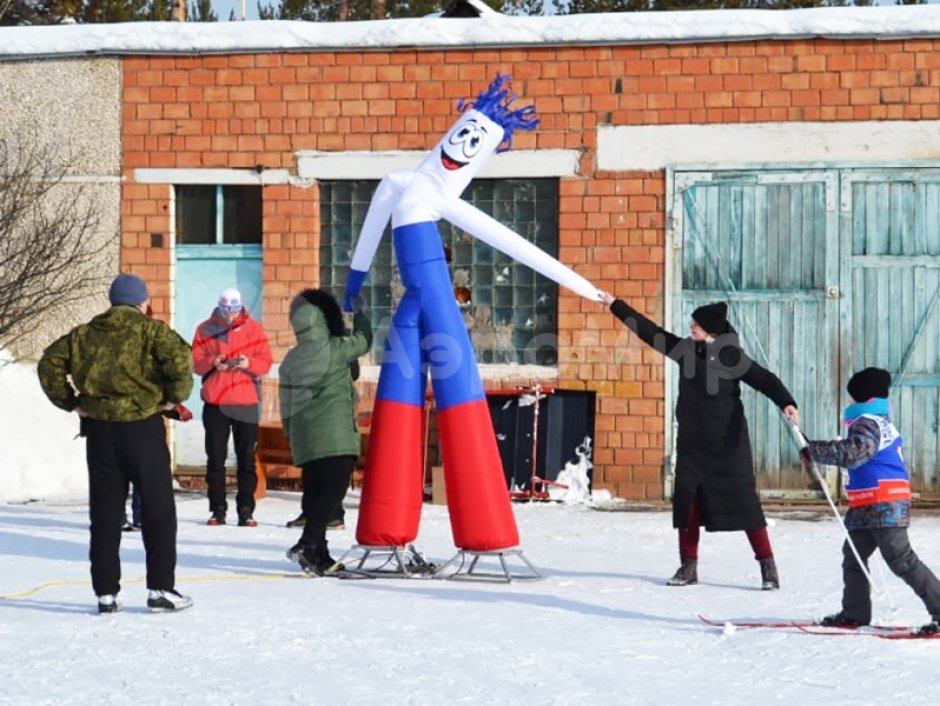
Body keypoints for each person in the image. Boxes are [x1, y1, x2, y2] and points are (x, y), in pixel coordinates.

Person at [600, 294, 800, 590]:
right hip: (693, 443)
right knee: (688, 504)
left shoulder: (732, 356)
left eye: (696, 324)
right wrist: (615, 305)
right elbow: (650, 332)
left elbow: (764, 379)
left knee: (746, 506)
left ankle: (768, 568)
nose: (691, 326)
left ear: (711, 330)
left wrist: (787, 402)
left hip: (727, 443)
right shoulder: (685, 350)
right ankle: (687, 567)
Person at [37, 273, 194, 614]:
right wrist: (171, 399)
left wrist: (72, 402)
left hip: (101, 433)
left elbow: (49, 363)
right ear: (142, 302)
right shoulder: (152, 331)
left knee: (106, 514)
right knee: (158, 511)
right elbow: (182, 363)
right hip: (142, 429)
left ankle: (106, 594)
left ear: (112, 301)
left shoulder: (84, 335)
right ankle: (160, 589)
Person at [800, 367, 940, 635]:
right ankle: (854, 613)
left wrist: (813, 450)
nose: (849, 402)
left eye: (852, 397)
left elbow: (854, 453)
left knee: (902, 560)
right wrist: (815, 449)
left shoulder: (869, 423)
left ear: (863, 398)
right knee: (853, 555)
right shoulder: (875, 422)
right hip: (868, 504)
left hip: (884, 504)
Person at [279, 289, 372, 575]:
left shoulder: (290, 361)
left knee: (316, 494)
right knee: (333, 493)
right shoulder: (335, 348)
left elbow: (286, 406)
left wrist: (293, 436)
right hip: (335, 436)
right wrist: (361, 314)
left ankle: (319, 553)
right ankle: (308, 543)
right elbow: (365, 341)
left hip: (306, 439)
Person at [192, 287, 273, 527]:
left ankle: (246, 509)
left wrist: (249, 363)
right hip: (216, 401)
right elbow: (195, 362)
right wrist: (212, 362)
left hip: (245, 401)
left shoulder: (254, 329)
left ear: (241, 308)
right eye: (227, 310)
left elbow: (266, 362)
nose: (230, 315)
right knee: (215, 458)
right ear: (220, 306)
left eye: (234, 310)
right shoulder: (205, 329)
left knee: (246, 458)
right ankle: (217, 509)